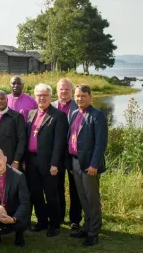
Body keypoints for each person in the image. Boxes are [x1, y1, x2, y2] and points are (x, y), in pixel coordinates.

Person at [67, 84, 107, 247]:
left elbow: (100, 143)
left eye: (83, 95)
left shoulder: (97, 115)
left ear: (90, 96)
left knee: (92, 199)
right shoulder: (75, 113)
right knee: (82, 197)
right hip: (75, 161)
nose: (79, 98)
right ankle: (86, 226)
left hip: (89, 165)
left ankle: (94, 233)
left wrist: (94, 164)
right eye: (77, 96)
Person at [25, 83, 68, 237]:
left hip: (49, 163)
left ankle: (54, 224)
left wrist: (55, 163)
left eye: (44, 95)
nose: (41, 98)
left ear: (50, 97)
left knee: (51, 194)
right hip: (31, 161)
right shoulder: (31, 114)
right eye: (39, 95)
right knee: (36, 194)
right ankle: (42, 221)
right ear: (35, 97)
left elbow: (60, 143)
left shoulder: (58, 116)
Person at [0, 148, 29, 248]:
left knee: (22, 219)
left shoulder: (19, 176)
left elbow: (24, 203)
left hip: (13, 211)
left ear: (5, 159)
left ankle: (19, 237)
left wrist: (13, 219)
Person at [52, 78, 82, 230]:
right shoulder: (51, 106)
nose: (64, 92)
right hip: (56, 154)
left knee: (75, 187)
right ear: (57, 91)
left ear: (72, 91)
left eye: (67, 89)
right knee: (57, 187)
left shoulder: (79, 106)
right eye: (61, 89)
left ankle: (75, 219)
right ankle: (59, 215)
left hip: (72, 154)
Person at [0, 90, 26, 170]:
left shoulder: (17, 117)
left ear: (7, 100)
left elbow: (22, 140)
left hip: (10, 161)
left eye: (2, 98)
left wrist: (16, 161)